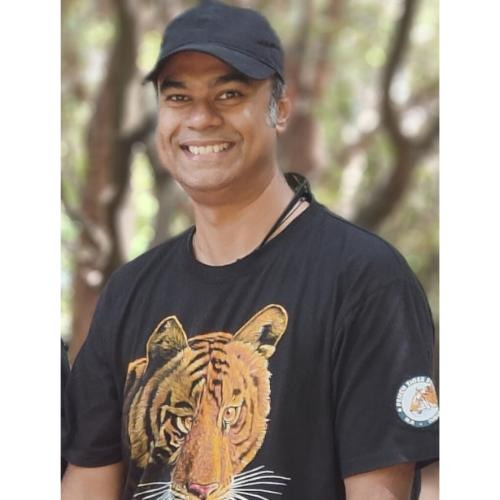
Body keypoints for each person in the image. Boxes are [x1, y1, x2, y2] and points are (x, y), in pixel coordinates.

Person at [62, 1, 439, 499]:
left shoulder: (365, 280)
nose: (201, 117)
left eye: (230, 94)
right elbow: (88, 483)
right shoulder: (129, 290)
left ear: (279, 109)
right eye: (178, 96)